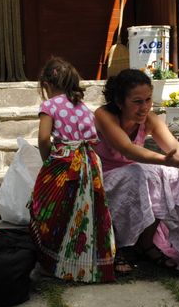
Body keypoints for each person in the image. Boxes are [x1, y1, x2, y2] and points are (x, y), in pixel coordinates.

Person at [94, 69, 179, 273]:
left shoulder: (150, 119)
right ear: (119, 102)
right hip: (101, 179)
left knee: (167, 174)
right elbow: (128, 149)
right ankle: (120, 247)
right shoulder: (103, 115)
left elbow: (177, 148)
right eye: (137, 101)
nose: (144, 107)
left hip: (133, 176)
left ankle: (147, 244)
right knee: (140, 172)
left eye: (148, 99)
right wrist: (165, 161)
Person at [28, 57, 117, 283]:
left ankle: (52, 263)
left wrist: (47, 162)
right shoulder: (83, 107)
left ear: (46, 84)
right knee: (85, 212)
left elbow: (43, 138)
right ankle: (85, 267)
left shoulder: (49, 106)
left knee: (51, 209)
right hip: (89, 163)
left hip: (64, 162)